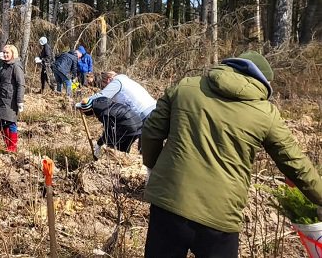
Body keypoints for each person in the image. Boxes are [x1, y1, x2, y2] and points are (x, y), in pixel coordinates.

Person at [141, 51, 322, 257]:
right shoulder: (265, 113)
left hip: (168, 204)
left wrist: (153, 167)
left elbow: (150, 132)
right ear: (263, 83)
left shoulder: (185, 87)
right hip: (220, 217)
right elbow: (295, 164)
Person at [76, 95, 143, 157]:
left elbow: (108, 133)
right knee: (123, 147)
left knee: (112, 143)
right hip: (138, 122)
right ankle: (124, 160)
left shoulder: (105, 114)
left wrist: (99, 144)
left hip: (129, 126)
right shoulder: (104, 103)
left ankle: (117, 162)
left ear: (91, 111)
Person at [0, 44, 24, 152]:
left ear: (13, 54)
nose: (5, 54)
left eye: (7, 53)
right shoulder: (3, 65)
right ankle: (7, 143)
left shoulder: (16, 66)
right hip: (1, 97)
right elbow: (1, 80)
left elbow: (21, 84)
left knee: (10, 122)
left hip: (11, 99)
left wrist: (20, 101)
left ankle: (12, 147)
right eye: (4, 52)